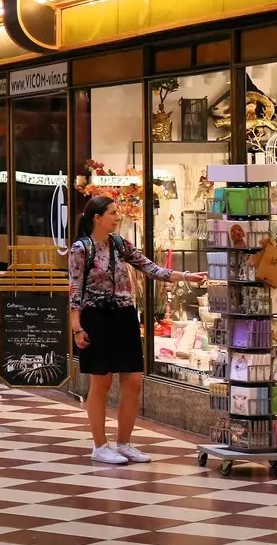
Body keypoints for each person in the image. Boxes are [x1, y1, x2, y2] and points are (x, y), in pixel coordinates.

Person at [70, 195, 205, 465]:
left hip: (125, 316)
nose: (117, 217)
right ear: (97, 218)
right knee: (101, 382)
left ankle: (124, 443)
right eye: (112, 213)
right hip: (96, 317)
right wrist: (77, 327)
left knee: (133, 381)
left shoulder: (120, 244)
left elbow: (150, 267)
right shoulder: (81, 248)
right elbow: (74, 289)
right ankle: (100, 446)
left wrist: (185, 276)